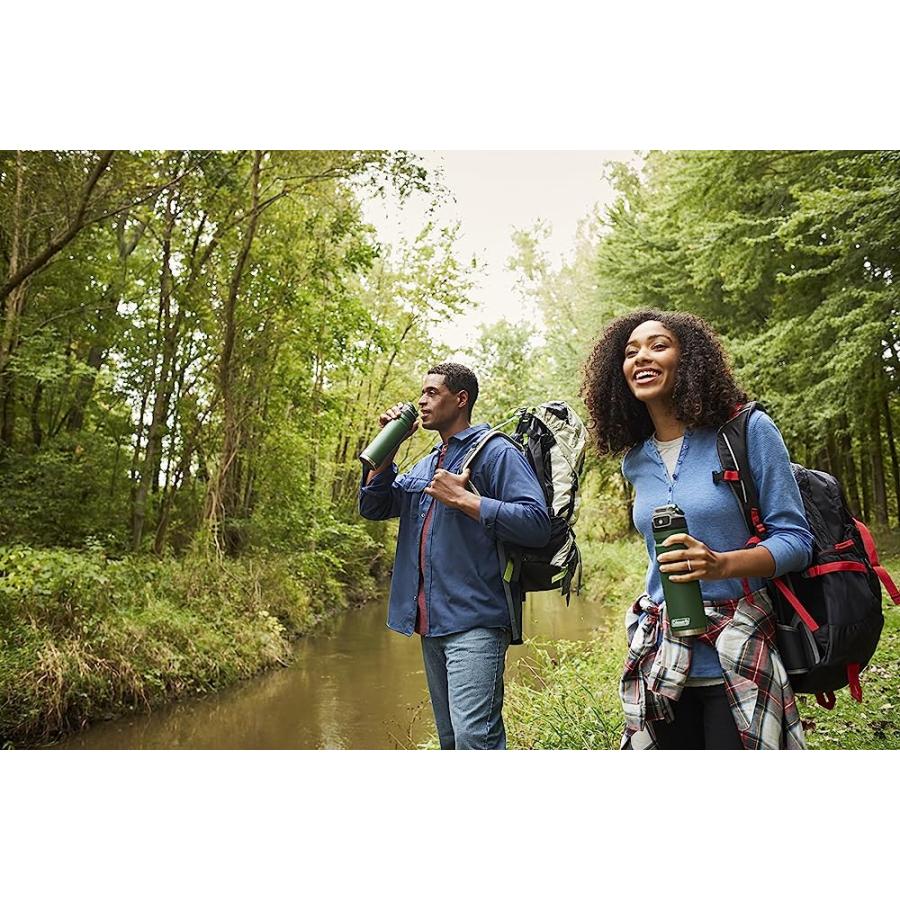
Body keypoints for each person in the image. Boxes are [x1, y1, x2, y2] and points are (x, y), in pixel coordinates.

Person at [581, 310, 814, 750]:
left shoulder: (747, 431)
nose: (641, 357)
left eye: (658, 345)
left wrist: (720, 564)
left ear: (688, 359)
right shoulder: (635, 459)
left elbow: (796, 541)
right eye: (630, 352)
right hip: (663, 655)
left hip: (739, 652)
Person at [359, 362, 550, 749]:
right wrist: (389, 442)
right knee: (451, 741)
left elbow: (536, 523)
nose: (422, 400)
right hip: (430, 625)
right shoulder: (429, 462)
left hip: (476, 621)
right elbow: (374, 506)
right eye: (421, 392)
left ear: (461, 399)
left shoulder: (495, 453)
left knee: (473, 740)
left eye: (432, 392)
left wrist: (465, 499)